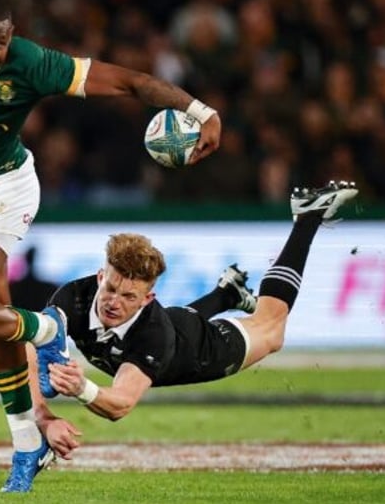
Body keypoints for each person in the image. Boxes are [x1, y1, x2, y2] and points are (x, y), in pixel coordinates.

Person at [0, 0, 223, 492]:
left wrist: (200, 109)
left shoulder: (33, 63)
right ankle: (28, 442)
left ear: (10, 40)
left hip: (4, 186)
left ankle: (45, 330)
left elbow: (129, 81)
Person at [33, 181, 358, 460]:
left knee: (272, 329)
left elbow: (120, 404)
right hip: (172, 322)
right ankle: (226, 294)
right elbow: (29, 348)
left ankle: (306, 217)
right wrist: (43, 419)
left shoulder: (153, 335)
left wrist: (82, 388)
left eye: (129, 297)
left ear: (148, 299)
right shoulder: (73, 296)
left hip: (199, 346)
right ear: (101, 275)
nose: (114, 303)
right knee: (160, 328)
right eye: (111, 288)